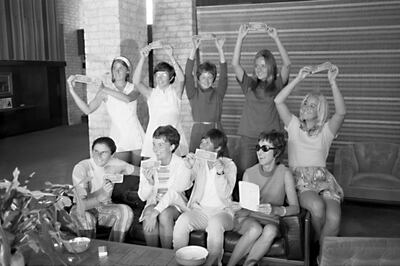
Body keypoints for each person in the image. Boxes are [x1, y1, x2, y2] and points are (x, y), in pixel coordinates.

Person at [274, 64, 346, 251]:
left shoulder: (327, 131)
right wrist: (298, 79)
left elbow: (341, 112)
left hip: (323, 178)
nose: (306, 107)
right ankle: (316, 247)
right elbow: (278, 101)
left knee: (335, 218)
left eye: (312, 105)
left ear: (320, 111)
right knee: (316, 206)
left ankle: (321, 255)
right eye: (305, 102)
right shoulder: (294, 125)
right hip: (301, 179)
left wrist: (333, 82)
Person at [227, 130, 299, 266]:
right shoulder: (249, 173)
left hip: (272, 220)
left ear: (276, 152)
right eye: (258, 148)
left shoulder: (285, 173)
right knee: (255, 229)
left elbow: (295, 208)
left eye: (265, 149)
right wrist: (238, 206)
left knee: (270, 230)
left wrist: (276, 210)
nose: (259, 152)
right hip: (248, 218)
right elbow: (245, 207)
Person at [232, 24, 291, 178]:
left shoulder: (277, 85)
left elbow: (287, 65)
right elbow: (235, 64)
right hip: (248, 139)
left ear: (271, 67)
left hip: (271, 141)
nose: (259, 69)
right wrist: (240, 38)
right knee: (245, 176)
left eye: (263, 66)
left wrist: (276, 38)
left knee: (271, 178)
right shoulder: (249, 85)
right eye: (256, 65)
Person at [173, 129, 237, 266]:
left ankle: (213, 264)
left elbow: (225, 194)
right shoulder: (199, 162)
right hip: (200, 210)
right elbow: (182, 186)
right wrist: (188, 168)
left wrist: (220, 173)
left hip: (222, 212)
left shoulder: (230, 165)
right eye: (202, 141)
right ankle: (179, 261)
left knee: (215, 224)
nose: (201, 145)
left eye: (207, 143)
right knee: (182, 221)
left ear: (218, 147)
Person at [67, 56, 145, 166]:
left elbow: (127, 99)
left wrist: (104, 88)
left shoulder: (134, 88)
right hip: (118, 136)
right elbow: (87, 110)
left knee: (138, 173)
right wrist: (71, 90)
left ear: (128, 71)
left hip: (136, 135)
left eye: (121, 68)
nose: (117, 71)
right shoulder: (104, 92)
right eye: (114, 68)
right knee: (120, 173)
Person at [70, 137, 137, 242]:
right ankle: (89, 252)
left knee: (126, 211)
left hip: (104, 208)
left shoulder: (116, 164)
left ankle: (115, 248)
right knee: (86, 218)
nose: (98, 156)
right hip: (82, 209)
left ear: (112, 155)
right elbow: (82, 205)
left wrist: (152, 171)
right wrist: (101, 196)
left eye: (103, 152)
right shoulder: (82, 168)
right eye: (95, 151)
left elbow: (139, 171)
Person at [138, 125, 192, 248]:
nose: (155, 149)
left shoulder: (182, 164)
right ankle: (153, 256)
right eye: (154, 144)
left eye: (160, 145)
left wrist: (156, 211)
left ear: (172, 147)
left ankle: (166, 256)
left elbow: (179, 189)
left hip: (175, 204)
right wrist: (150, 182)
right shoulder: (148, 164)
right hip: (154, 202)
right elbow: (142, 196)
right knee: (148, 215)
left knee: (165, 214)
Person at [133, 44, 188, 159]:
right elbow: (136, 82)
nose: (160, 78)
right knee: (152, 173)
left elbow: (182, 79)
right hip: (154, 138)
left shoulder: (175, 92)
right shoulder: (151, 93)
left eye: (164, 75)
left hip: (174, 139)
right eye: (157, 75)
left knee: (175, 172)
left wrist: (171, 56)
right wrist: (143, 57)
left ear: (171, 78)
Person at [185, 36, 227, 152]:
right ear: (198, 78)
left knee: (218, 164)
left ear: (213, 79)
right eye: (203, 77)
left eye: (210, 77)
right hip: (198, 133)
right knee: (196, 164)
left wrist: (220, 50)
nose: (206, 80)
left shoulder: (218, 93)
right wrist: (194, 49)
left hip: (216, 132)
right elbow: (188, 74)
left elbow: (223, 77)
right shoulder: (193, 93)